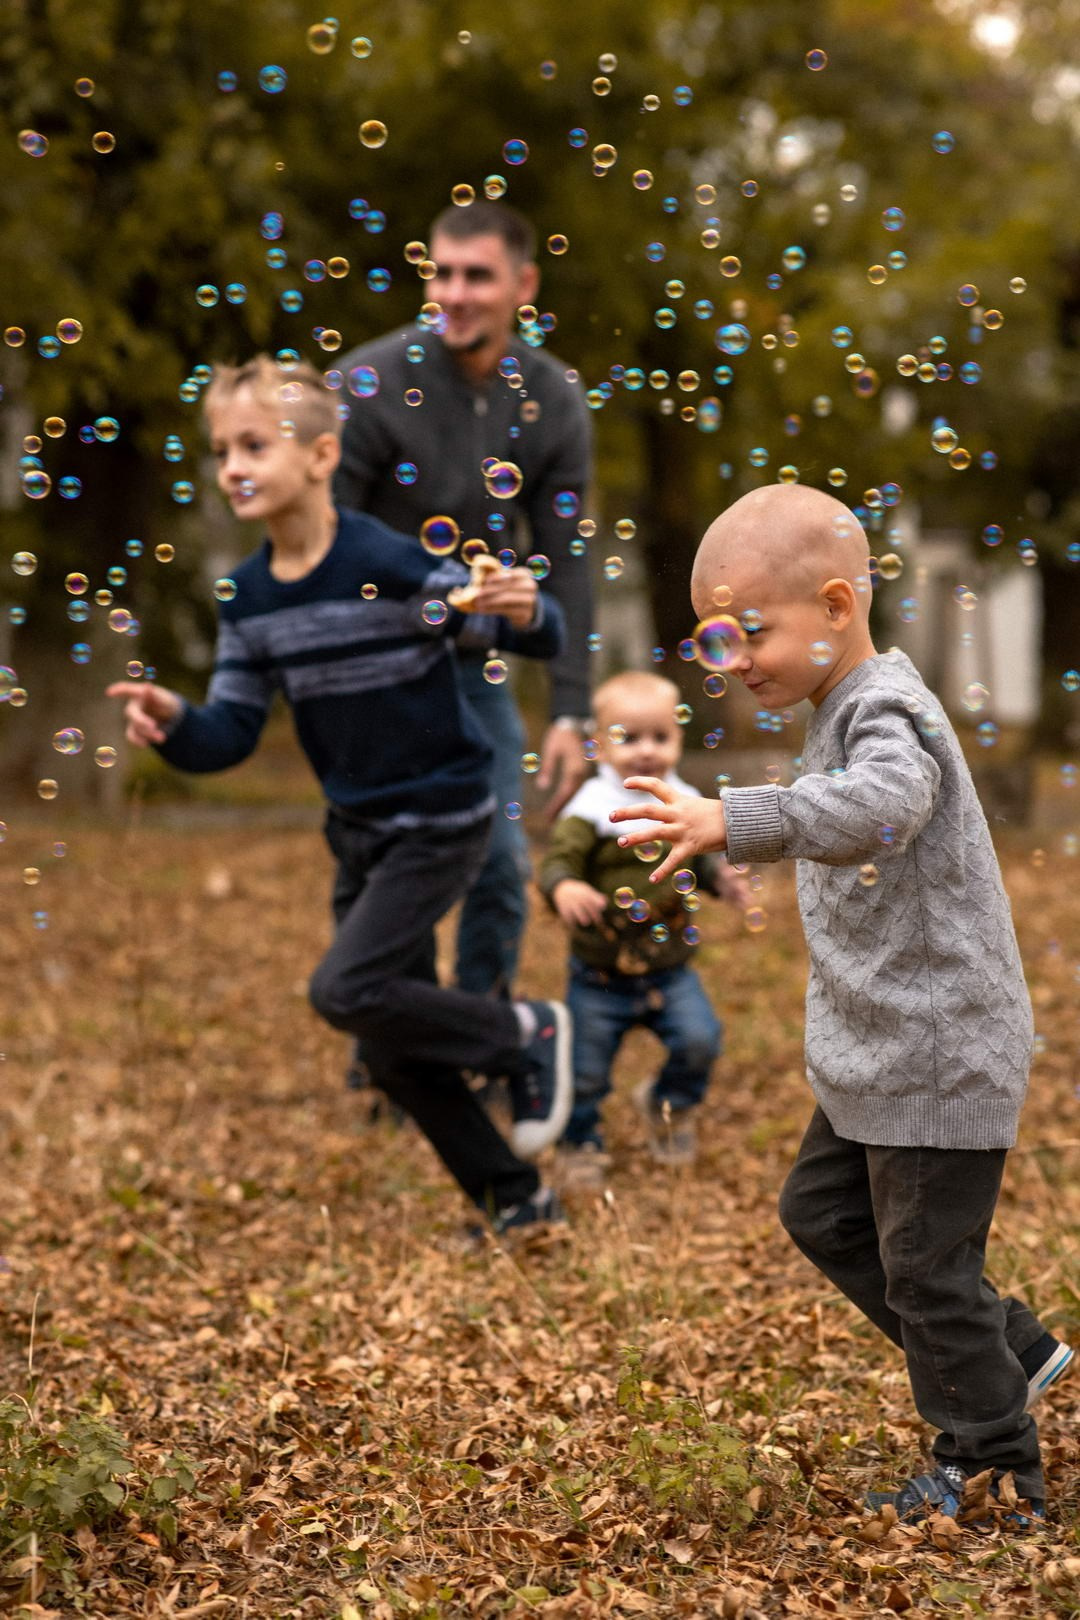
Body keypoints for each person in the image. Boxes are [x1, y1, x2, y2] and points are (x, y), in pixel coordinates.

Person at [611, 483, 1072, 1525]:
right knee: (821, 1212)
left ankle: (993, 1464)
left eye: (748, 633)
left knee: (923, 1268)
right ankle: (1015, 1353)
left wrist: (737, 818)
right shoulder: (837, 708)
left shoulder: (885, 707)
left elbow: (884, 805)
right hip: (884, 1053)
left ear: (834, 605)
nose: (729, 663)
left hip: (940, 1050)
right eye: (714, 642)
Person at [106, 356, 575, 1232]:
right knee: (393, 1048)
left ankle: (523, 1032)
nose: (233, 466)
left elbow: (521, 630)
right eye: (220, 450)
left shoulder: (389, 563)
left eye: (255, 444)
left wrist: (525, 607)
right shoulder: (247, 600)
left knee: (343, 990)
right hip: (360, 830)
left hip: (441, 814)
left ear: (322, 456)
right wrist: (176, 722)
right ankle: (519, 1201)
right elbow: (231, 734)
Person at [335, 198, 593, 1000]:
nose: (452, 293)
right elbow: (322, 542)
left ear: (524, 283)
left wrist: (570, 710)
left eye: (476, 275)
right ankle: (390, 1050)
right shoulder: (368, 385)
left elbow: (567, 564)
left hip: (477, 667)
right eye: (440, 274)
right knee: (382, 867)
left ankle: (480, 1036)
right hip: (371, 666)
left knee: (498, 865)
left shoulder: (551, 399)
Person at [538, 671, 749, 1189]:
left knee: (701, 1040)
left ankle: (668, 1104)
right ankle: (579, 1140)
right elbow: (556, 862)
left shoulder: (684, 802)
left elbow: (694, 861)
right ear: (599, 748)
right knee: (585, 1069)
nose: (646, 751)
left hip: (669, 969)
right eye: (628, 739)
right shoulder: (590, 808)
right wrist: (563, 887)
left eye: (661, 737)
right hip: (599, 973)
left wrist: (722, 879)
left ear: (679, 739)